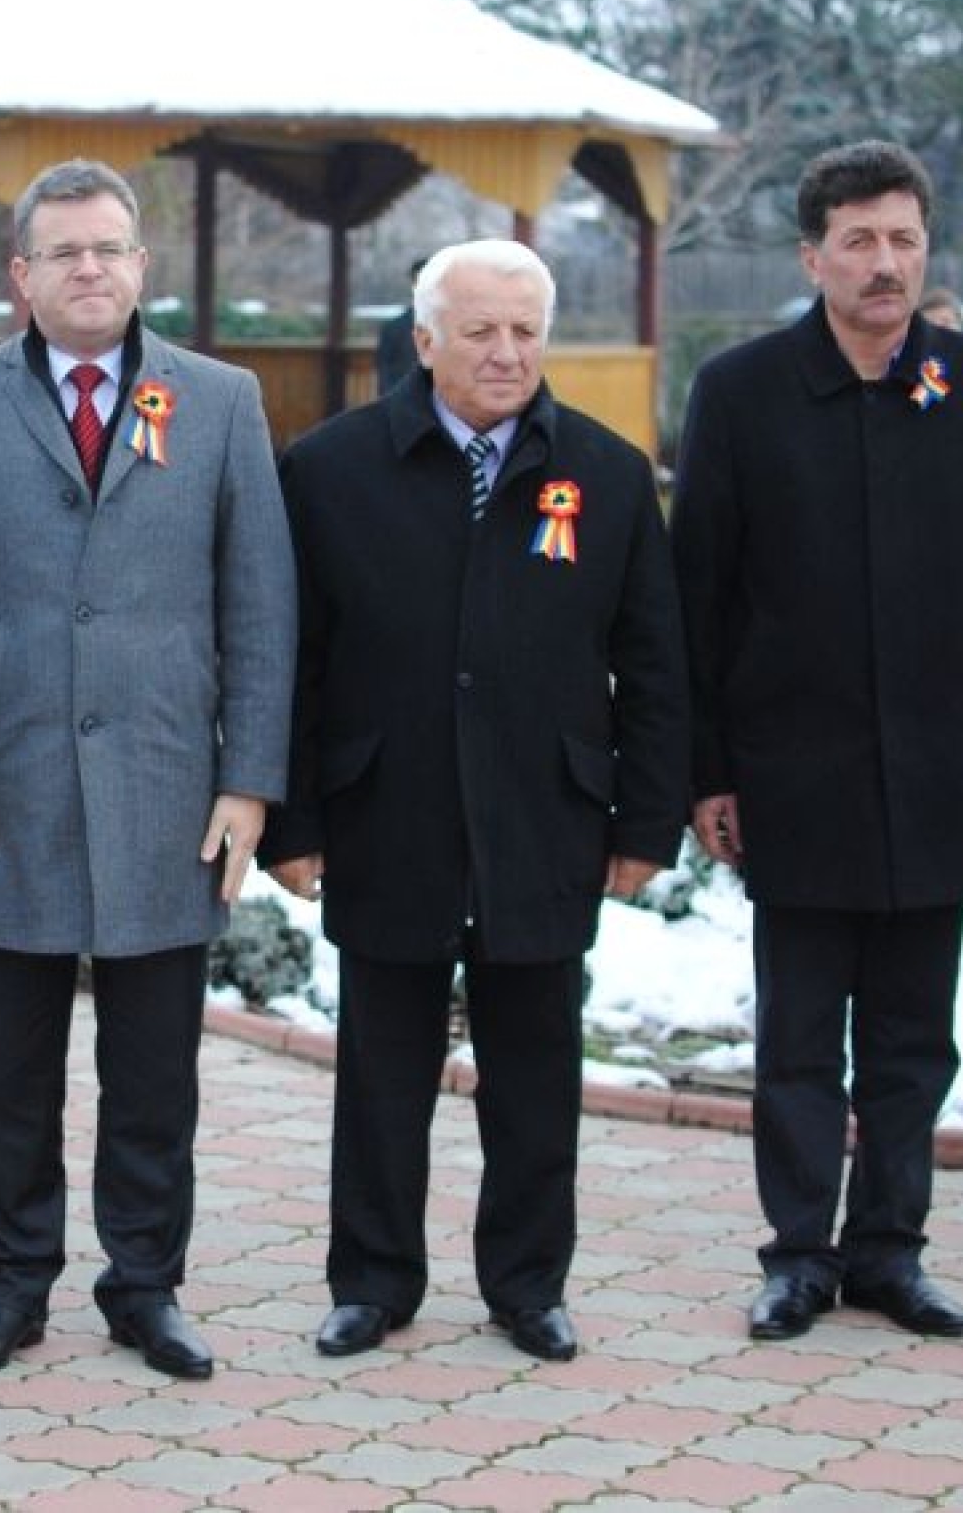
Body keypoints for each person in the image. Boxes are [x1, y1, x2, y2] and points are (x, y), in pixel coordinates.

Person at [0, 158, 295, 1382]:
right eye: (64, 251)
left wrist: (248, 781)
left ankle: (145, 1286)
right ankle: (11, 1286)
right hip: (3, 798)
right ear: (20, 274)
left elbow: (260, 607)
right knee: (6, 1080)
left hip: (170, 797)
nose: (89, 269)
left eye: (110, 248)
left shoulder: (220, 402)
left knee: (152, 1078)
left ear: (141, 265)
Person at [263, 240, 688, 1363]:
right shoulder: (331, 468)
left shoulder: (605, 471)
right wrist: (294, 822)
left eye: (526, 332)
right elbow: (291, 660)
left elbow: (653, 664)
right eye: (482, 331)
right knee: (382, 1074)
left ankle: (527, 1284)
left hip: (544, 816)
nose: (507, 354)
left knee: (538, 1074)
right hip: (385, 812)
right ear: (425, 340)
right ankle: (372, 1280)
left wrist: (647, 823)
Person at [671, 140, 963, 1343]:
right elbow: (701, 600)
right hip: (794, 775)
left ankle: (891, 1249)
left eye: (904, 239)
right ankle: (798, 1255)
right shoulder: (742, 391)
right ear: (813, 255)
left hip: (943, 770)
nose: (885, 264)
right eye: (860, 241)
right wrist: (708, 771)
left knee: (910, 1042)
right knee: (795, 1039)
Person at [374, 256, 428, 395]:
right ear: (413, 284)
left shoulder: (454, 327)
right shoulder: (393, 328)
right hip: (403, 401)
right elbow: (385, 373)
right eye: (419, 281)